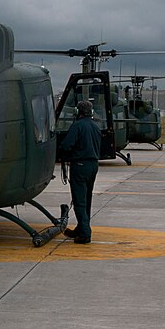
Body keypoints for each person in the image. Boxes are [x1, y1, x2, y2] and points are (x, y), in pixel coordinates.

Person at [59, 100, 101, 244]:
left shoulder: (77, 126)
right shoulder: (96, 127)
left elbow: (67, 145)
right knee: (87, 199)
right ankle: (81, 227)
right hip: (93, 165)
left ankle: (85, 233)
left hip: (80, 165)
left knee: (79, 200)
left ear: (78, 112)